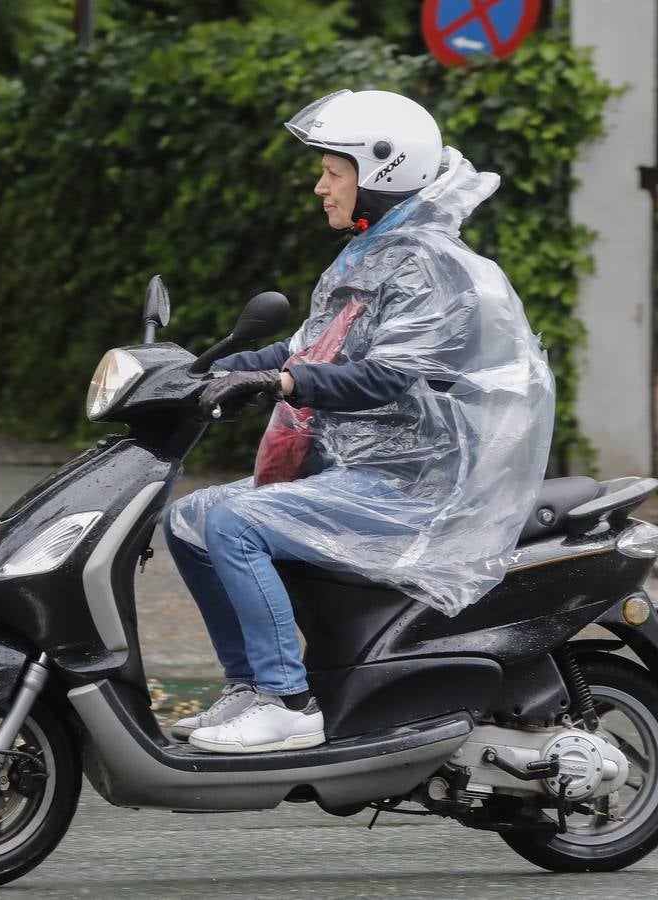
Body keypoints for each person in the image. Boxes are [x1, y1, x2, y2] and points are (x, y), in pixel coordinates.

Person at [163, 89, 556, 754]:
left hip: (419, 488)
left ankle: (288, 702)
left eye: (331, 171)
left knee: (232, 523)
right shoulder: (377, 254)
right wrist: (210, 373)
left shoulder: (432, 265)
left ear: (381, 171)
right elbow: (313, 349)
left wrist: (279, 381)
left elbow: (387, 376)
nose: (319, 187)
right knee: (191, 519)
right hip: (365, 473)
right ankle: (250, 688)